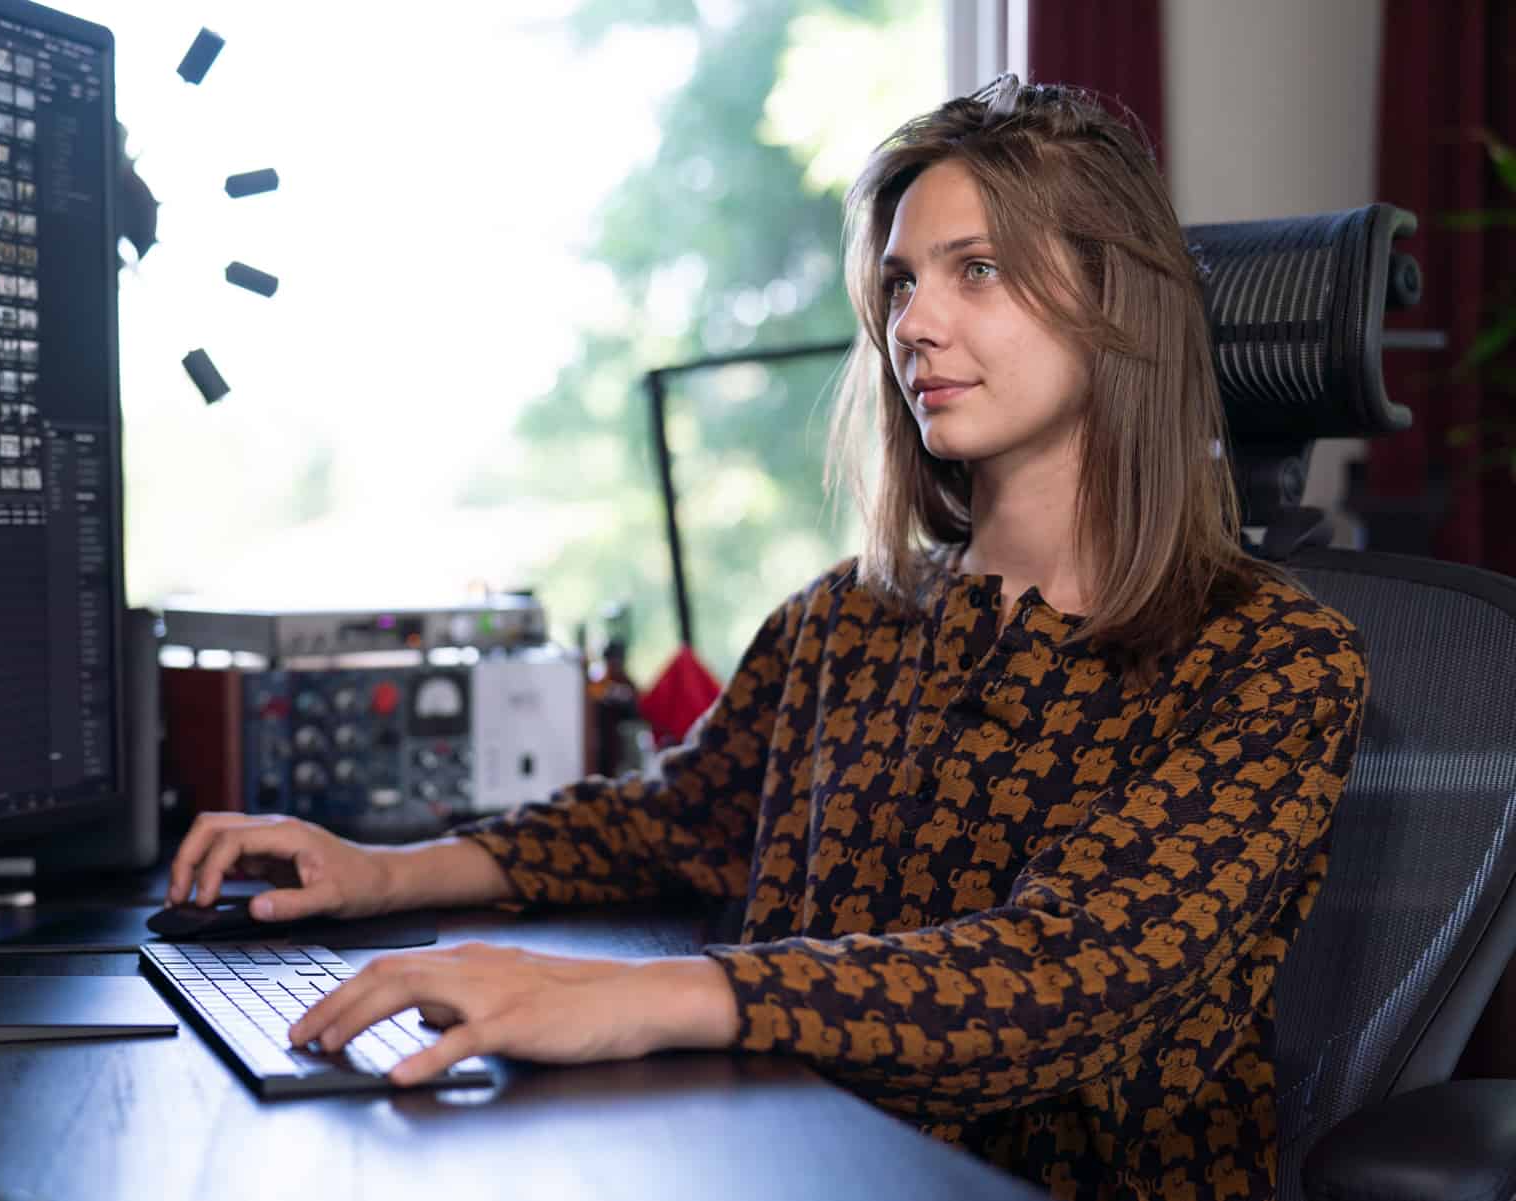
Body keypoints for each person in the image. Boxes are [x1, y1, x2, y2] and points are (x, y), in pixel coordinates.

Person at [167, 75, 1368, 1201]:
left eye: (979, 270)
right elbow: (672, 822)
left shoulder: (1274, 665)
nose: (917, 326)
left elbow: (1055, 980)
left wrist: (645, 998)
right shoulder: (845, 618)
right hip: (801, 1159)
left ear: (1116, 302)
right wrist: (384, 872)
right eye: (900, 283)